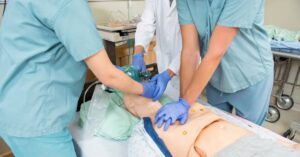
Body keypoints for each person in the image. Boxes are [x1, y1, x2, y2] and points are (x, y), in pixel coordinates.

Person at [0, 0, 164, 156]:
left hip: (12, 106)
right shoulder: (69, 4)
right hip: (36, 119)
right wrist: (143, 89)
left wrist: (110, 70)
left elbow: (50, 45)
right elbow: (108, 76)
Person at [155, 0, 274, 131]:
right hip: (215, 76)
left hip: (250, 75)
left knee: (247, 135)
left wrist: (185, 103)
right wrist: (183, 103)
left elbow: (215, 52)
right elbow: (190, 51)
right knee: (214, 130)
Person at [132, 0, 182, 100]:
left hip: (186, 64)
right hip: (164, 62)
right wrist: (138, 53)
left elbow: (193, 45)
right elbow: (146, 23)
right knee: (165, 99)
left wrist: (170, 72)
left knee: (188, 108)